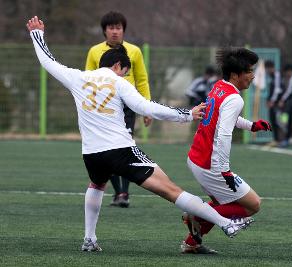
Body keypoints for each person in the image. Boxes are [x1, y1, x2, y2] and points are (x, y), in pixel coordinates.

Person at [27, 16, 253, 252]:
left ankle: (89, 239)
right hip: (121, 150)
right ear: (118, 67)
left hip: (91, 153)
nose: (125, 76)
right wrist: (187, 114)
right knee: (172, 190)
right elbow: (146, 107)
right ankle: (226, 223)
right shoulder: (118, 81)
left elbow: (47, 61)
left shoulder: (78, 77)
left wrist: (37, 34)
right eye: (125, 72)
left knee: (96, 184)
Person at [180, 47, 272, 254]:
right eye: (249, 71)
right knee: (253, 205)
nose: (252, 76)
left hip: (197, 158)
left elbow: (223, 118)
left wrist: (251, 126)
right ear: (235, 74)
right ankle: (196, 214)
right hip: (210, 165)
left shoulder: (219, 87)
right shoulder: (234, 98)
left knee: (223, 203)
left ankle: (191, 243)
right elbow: (223, 134)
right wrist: (225, 170)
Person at [85, 11, 152, 208]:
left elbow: (141, 79)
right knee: (107, 146)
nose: (115, 32)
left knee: (125, 145)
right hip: (104, 107)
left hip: (127, 106)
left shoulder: (135, 51)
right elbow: (87, 80)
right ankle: (120, 192)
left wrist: (146, 108)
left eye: (118, 28)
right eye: (111, 28)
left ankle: (123, 193)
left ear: (123, 30)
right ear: (104, 31)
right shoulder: (94, 51)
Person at [265, 60, 284, 146]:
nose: (266, 71)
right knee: (273, 120)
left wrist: (272, 101)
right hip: (273, 102)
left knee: (278, 121)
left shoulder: (277, 75)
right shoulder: (272, 76)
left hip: (277, 103)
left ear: (271, 68)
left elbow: (277, 90)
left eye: (267, 69)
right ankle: (276, 139)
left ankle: (282, 139)